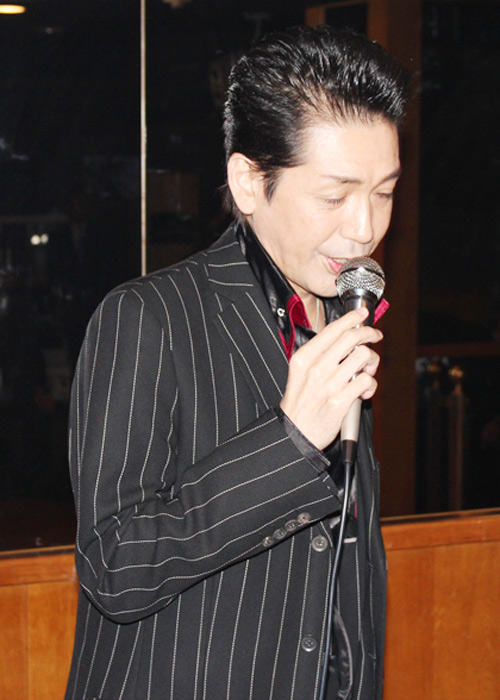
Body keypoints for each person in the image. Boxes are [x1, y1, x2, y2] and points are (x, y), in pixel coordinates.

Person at [65, 25, 409, 700]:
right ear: (249, 182)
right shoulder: (147, 317)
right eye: (335, 196)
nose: (365, 228)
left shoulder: (345, 316)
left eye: (385, 192)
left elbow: (342, 568)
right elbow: (113, 566)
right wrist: (290, 442)